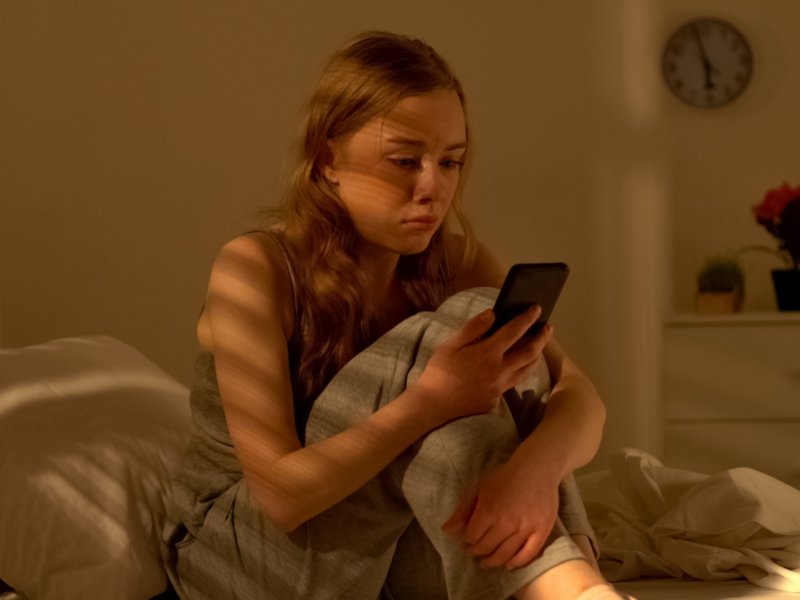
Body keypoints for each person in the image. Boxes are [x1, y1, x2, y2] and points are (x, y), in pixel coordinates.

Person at [163, 31, 632, 600]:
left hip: (376, 557)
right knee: (472, 319)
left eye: (451, 161)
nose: (432, 188)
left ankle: (576, 585)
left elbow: (582, 398)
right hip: (240, 559)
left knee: (482, 379)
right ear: (329, 159)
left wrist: (531, 473)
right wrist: (431, 401)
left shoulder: (460, 260)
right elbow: (282, 498)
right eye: (404, 161)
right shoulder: (255, 269)